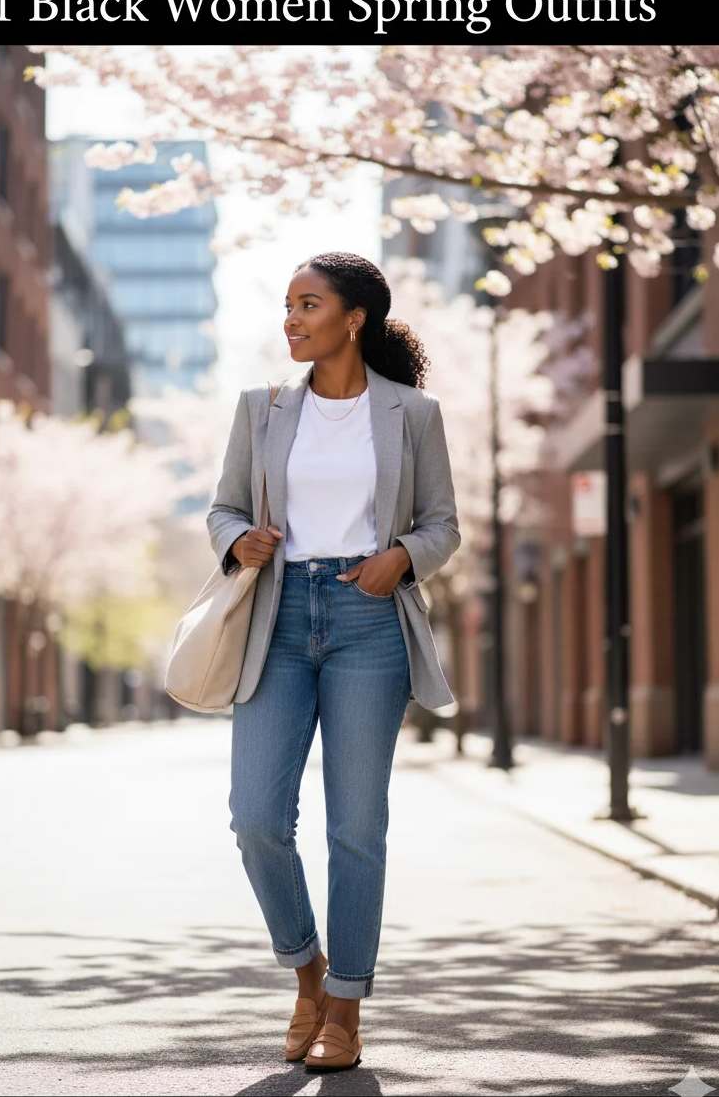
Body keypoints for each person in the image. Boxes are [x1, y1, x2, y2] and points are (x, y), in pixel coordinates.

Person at [207, 251, 460, 1072]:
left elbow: (441, 524)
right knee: (255, 820)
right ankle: (307, 972)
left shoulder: (411, 414)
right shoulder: (263, 408)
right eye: (286, 305)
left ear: (354, 318)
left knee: (356, 828)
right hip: (278, 617)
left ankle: (344, 1008)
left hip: (368, 619)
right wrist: (236, 539)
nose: (290, 319)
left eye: (306, 305)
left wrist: (404, 558)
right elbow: (223, 508)